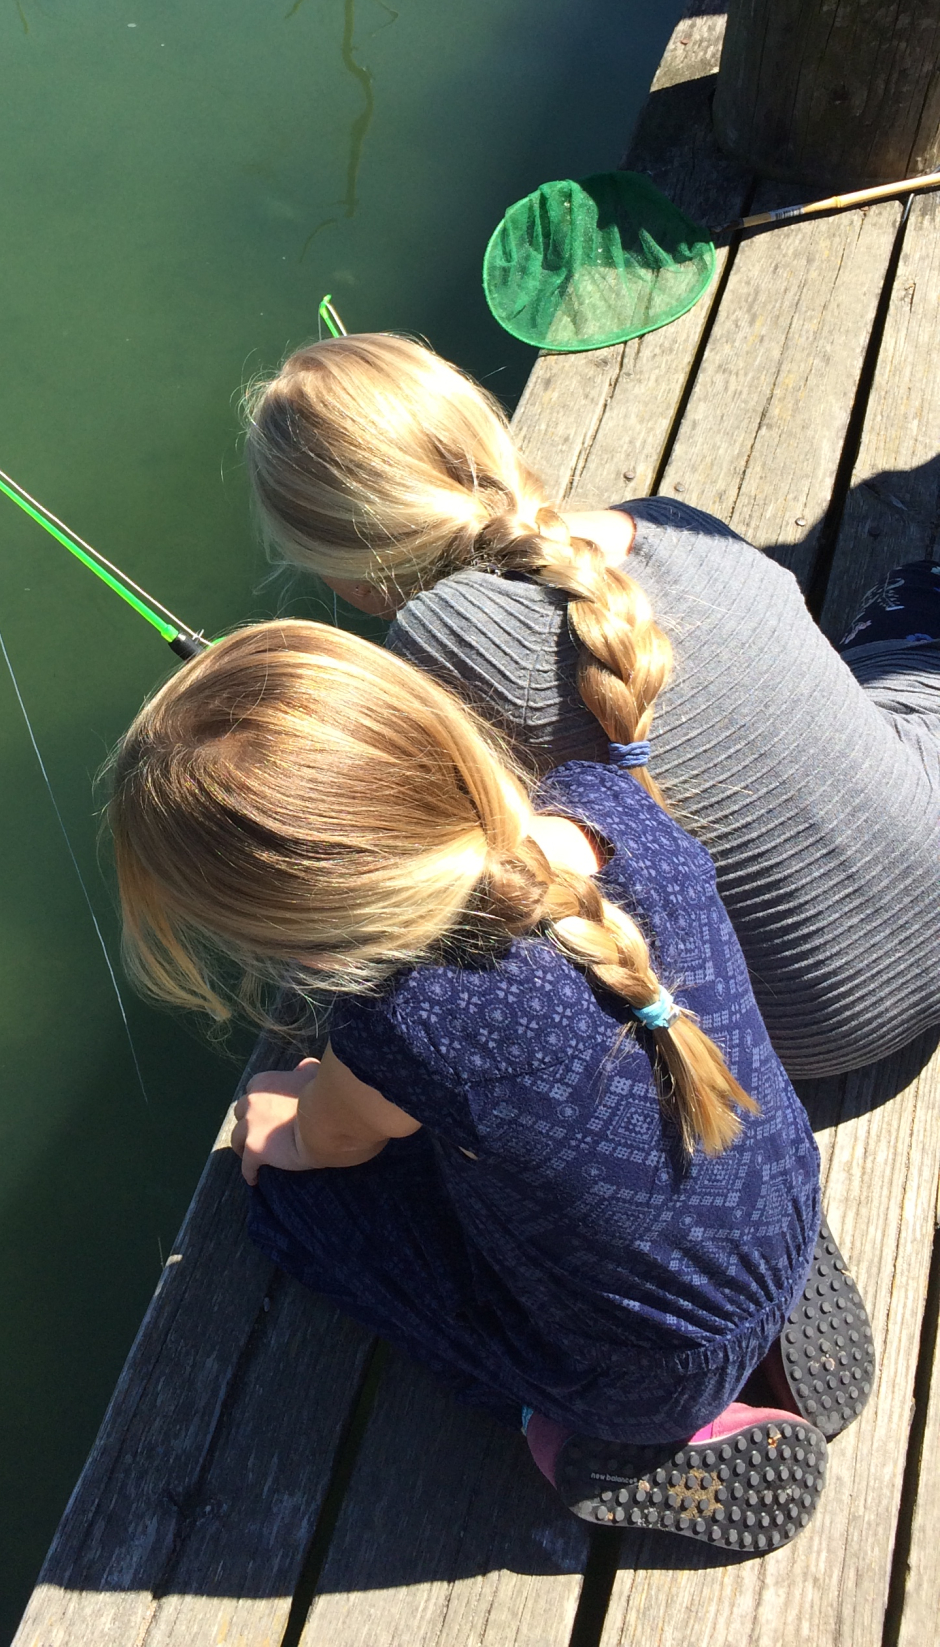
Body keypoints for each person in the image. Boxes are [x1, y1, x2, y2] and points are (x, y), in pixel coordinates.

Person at [105, 622, 874, 1550]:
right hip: (787, 1198)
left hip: (648, 1375)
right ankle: (763, 1319)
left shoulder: (402, 1024)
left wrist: (288, 1120)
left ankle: (629, 1432)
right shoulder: (603, 804)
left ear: (298, 939)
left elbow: (328, 1141)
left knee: (297, 1210)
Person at [243, 331, 940, 1080]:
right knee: (918, 595)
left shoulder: (432, 643)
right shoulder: (670, 520)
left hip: (798, 1035)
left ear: (339, 564)